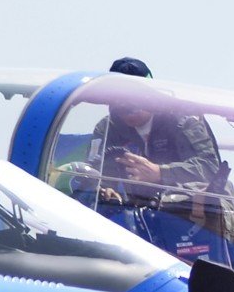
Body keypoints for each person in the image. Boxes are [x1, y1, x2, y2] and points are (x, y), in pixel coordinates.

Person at [85, 58, 222, 210]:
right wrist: (104, 188)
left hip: (189, 213)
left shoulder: (183, 119)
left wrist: (160, 172)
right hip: (135, 216)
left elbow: (212, 168)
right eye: (119, 105)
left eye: (133, 104)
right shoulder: (108, 128)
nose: (127, 114)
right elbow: (93, 171)